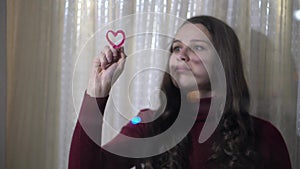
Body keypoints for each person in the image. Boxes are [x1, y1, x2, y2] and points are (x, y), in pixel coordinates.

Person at [68, 15, 292, 169]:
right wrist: (96, 92)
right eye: (176, 47)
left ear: (224, 61)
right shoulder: (148, 124)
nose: (182, 54)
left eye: (198, 46)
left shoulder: (265, 135)